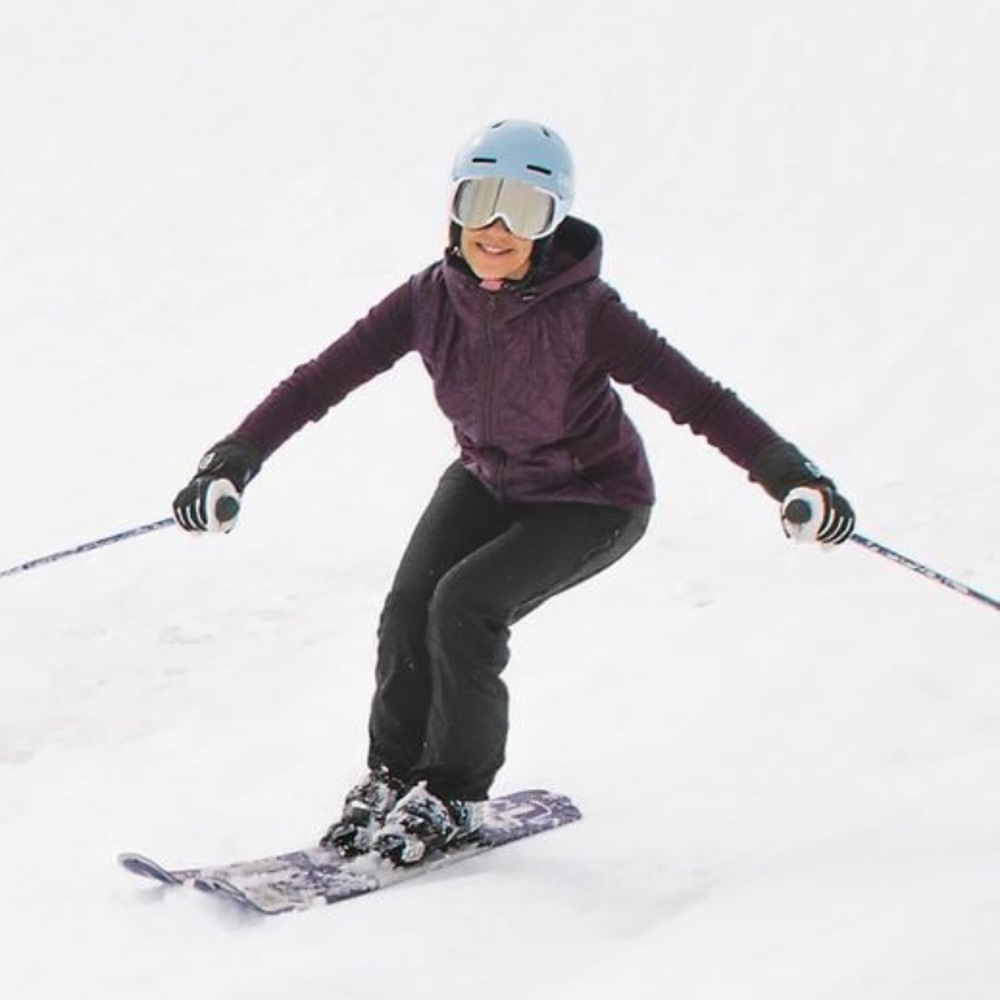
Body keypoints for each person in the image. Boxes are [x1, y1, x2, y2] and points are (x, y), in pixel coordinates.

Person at [172, 119, 855, 866]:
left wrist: (792, 477)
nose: (496, 228)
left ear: (552, 222)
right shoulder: (427, 299)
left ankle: (456, 795)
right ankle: (393, 774)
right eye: (481, 202)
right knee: (409, 608)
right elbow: (321, 379)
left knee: (465, 605)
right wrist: (234, 459)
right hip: (488, 477)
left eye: (523, 210)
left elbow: (699, 398)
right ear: (454, 210)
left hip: (593, 499)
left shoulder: (591, 313)